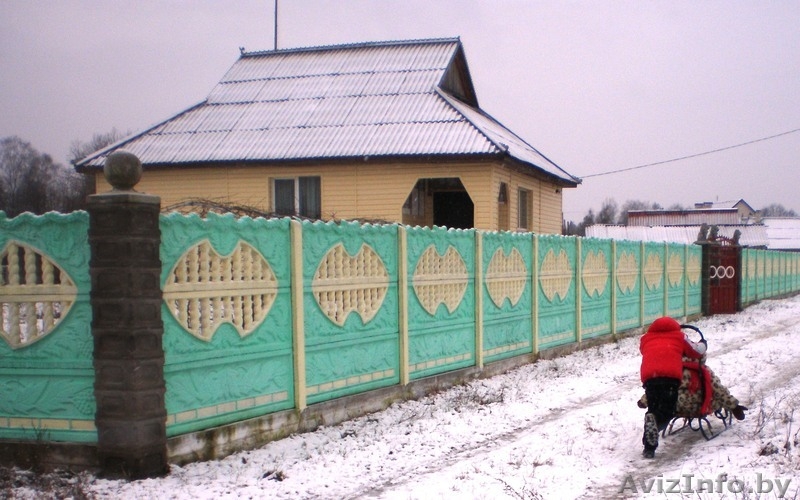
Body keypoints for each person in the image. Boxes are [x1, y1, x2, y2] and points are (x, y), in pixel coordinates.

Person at [638, 317, 746, 458]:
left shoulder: (646, 338)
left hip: (650, 379)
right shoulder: (681, 340)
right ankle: (655, 423)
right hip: (694, 404)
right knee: (666, 411)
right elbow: (719, 390)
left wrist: (643, 401)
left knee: (655, 407)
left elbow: (644, 350)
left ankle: (649, 448)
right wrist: (734, 406)